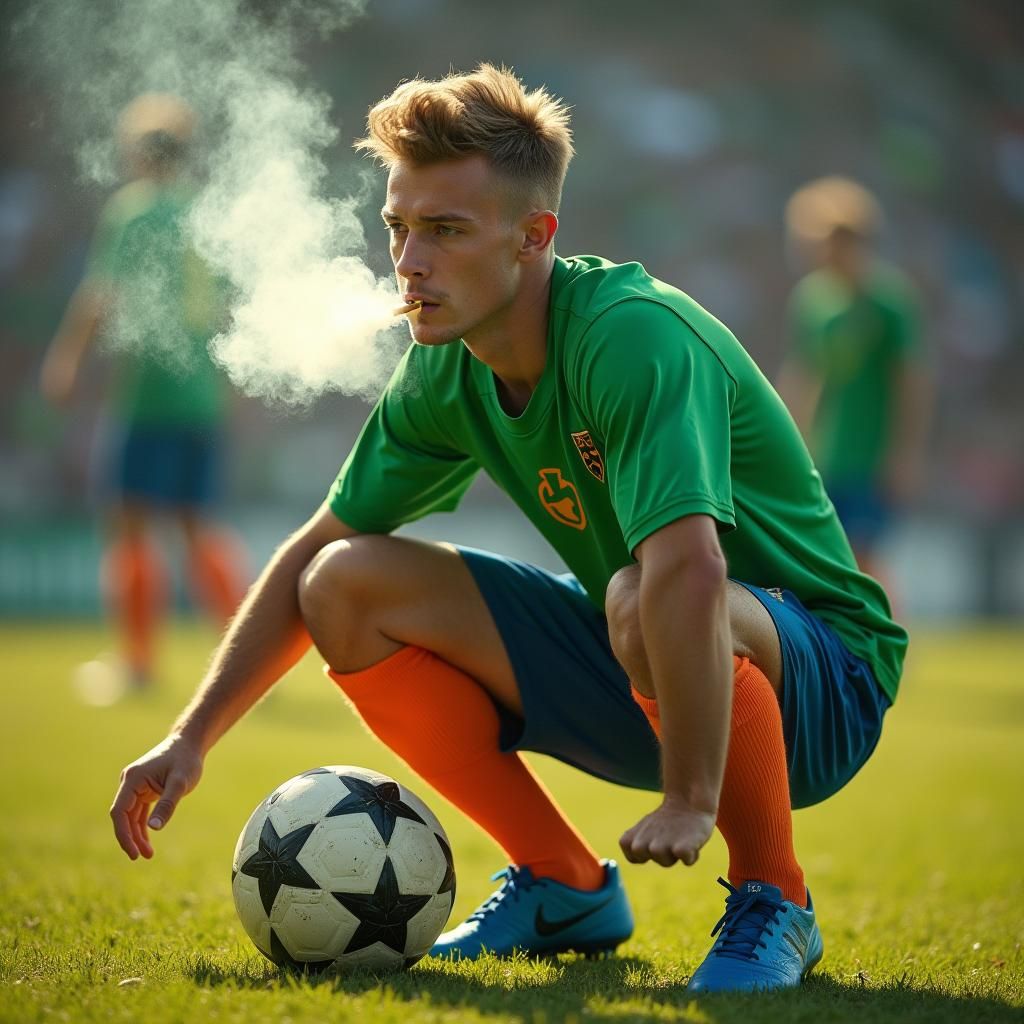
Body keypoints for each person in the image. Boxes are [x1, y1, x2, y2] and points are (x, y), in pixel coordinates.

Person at [109, 67, 907, 993]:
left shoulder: (631, 335)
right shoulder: (442, 363)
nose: (410, 261)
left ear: (535, 238)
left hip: (821, 683)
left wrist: (691, 795)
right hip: (647, 653)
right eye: (397, 228)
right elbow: (310, 552)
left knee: (637, 590)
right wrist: (191, 736)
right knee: (343, 580)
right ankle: (563, 884)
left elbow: (689, 567)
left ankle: (778, 896)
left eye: (445, 231)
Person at [41, 93, 247, 691]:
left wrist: (66, 360)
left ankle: (136, 664)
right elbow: (228, 309)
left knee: (130, 526)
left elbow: (100, 296)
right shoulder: (206, 213)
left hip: (148, 394)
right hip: (201, 396)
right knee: (199, 527)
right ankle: (243, 662)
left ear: (138, 151)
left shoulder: (132, 212)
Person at [777, 176, 932, 580]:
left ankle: (887, 640)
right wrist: (792, 444)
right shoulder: (813, 301)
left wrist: (904, 457)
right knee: (832, 559)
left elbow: (911, 385)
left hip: (871, 458)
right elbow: (807, 376)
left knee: (865, 560)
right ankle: (854, 643)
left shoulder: (889, 302)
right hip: (826, 457)